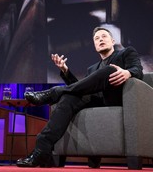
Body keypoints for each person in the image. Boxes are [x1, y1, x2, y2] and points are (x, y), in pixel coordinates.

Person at [16, 27, 143, 167]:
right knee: (68, 98)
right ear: (94, 46)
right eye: (97, 38)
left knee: (110, 70)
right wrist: (65, 71)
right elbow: (81, 89)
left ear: (112, 41)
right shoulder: (92, 68)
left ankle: (53, 93)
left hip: (118, 97)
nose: (100, 39)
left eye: (104, 36)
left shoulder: (126, 52)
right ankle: (41, 149)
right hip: (96, 101)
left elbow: (138, 69)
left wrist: (128, 73)